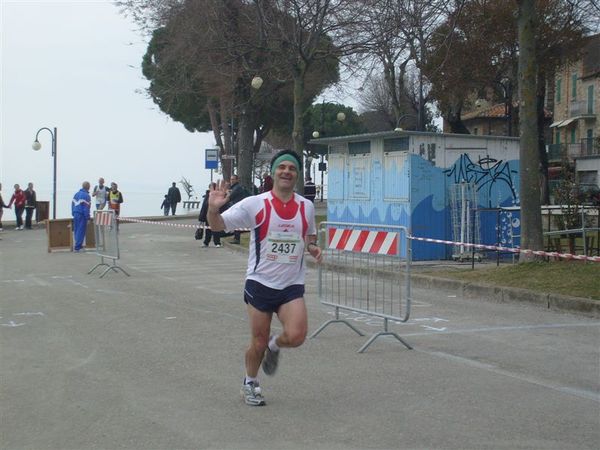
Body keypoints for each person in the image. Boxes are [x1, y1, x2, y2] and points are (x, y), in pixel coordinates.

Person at [208, 149, 322, 407]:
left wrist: (313, 247)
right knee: (257, 342)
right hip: (260, 283)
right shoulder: (255, 204)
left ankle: (275, 345)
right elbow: (217, 226)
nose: (286, 171)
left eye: (291, 168)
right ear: (272, 173)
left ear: (297, 175)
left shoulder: (307, 207)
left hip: (291, 285)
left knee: (296, 335)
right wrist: (213, 210)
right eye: (281, 167)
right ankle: (250, 382)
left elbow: (308, 236)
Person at [227, 174, 250, 244]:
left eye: (233, 179)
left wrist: (227, 193)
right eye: (231, 179)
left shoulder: (237, 188)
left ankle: (237, 239)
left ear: (237, 180)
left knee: (236, 223)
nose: (232, 181)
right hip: (237, 206)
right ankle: (236, 238)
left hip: (238, 207)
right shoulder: (236, 187)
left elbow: (230, 197)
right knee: (236, 223)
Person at [198, 183, 222, 248]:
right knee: (208, 230)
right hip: (208, 215)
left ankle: (217, 242)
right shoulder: (207, 195)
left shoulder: (218, 195)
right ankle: (206, 242)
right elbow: (204, 206)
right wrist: (201, 217)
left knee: (216, 230)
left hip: (216, 215)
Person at [71, 181, 91, 252]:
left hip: (75, 213)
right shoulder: (86, 196)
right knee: (81, 230)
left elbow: (72, 204)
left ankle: (78, 244)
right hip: (82, 214)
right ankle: (78, 247)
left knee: (76, 229)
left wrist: (73, 213)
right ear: (88, 187)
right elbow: (86, 208)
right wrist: (87, 217)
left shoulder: (76, 194)